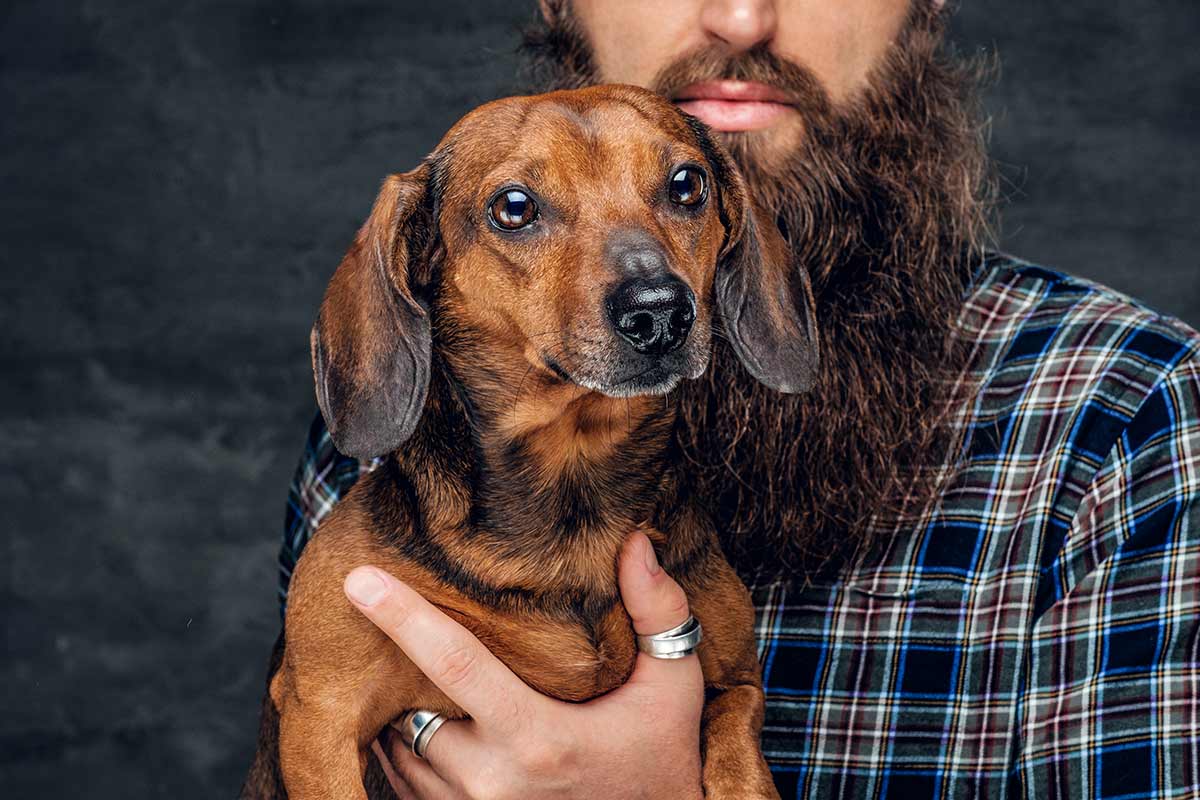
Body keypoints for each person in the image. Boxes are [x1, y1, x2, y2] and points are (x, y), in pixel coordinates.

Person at [275, 1, 1200, 797]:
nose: (743, 17)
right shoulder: (376, 438)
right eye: (519, 211)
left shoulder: (1137, 424)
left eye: (681, 188)